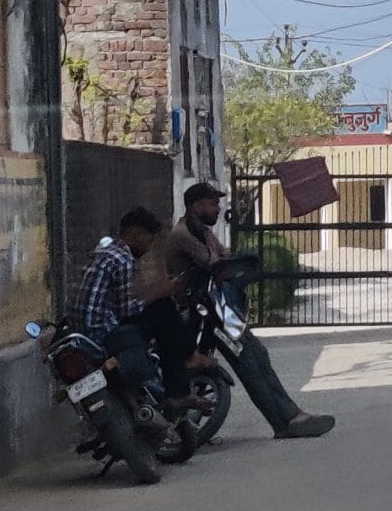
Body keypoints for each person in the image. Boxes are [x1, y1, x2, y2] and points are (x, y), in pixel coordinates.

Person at [136, 180, 336, 440]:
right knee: (248, 361)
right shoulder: (183, 235)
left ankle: (292, 414)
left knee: (257, 354)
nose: (218, 209)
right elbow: (215, 263)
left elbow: (223, 257)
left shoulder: (202, 231)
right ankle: (284, 421)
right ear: (196, 205)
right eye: (213, 204)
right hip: (201, 315)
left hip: (217, 310)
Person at [68, 206, 170, 422]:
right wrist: (152, 298)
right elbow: (126, 311)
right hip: (98, 331)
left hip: (79, 330)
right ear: (136, 235)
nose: (150, 247)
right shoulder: (123, 260)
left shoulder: (103, 253)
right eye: (149, 241)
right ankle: (162, 398)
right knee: (146, 340)